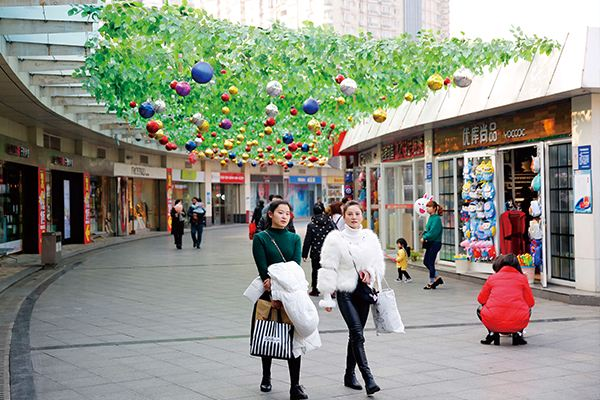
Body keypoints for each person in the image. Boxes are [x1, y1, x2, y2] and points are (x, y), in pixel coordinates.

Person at [318, 200, 384, 395]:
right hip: (344, 291)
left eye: (357, 214)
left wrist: (369, 272)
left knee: (355, 335)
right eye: (350, 214)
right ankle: (368, 378)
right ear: (343, 216)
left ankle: (349, 374)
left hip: (363, 292)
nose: (354, 217)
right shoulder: (335, 239)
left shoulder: (369, 237)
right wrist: (327, 296)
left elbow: (377, 263)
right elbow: (328, 267)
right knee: (357, 333)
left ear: (362, 216)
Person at [251, 200, 308, 400]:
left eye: (287, 213)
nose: (284, 216)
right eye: (280, 213)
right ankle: (266, 376)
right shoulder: (261, 238)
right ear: (270, 215)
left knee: (294, 340)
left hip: (291, 295)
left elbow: (295, 268)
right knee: (268, 335)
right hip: (268, 294)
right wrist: (274, 291)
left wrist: (287, 294)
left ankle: (295, 385)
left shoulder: (294, 238)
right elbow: (263, 268)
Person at [477, 254, 535, 346]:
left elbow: (481, 300)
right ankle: (518, 334)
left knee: (479, 309)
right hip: (517, 320)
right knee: (527, 309)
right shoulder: (522, 279)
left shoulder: (492, 278)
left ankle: (492, 333)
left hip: (493, 319)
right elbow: (531, 303)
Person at [302, 204, 336, 296]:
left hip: (316, 252)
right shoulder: (330, 222)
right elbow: (337, 234)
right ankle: (331, 290)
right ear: (323, 211)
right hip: (329, 252)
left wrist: (304, 254)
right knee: (329, 270)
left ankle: (315, 290)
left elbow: (307, 240)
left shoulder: (311, 225)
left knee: (316, 271)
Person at [421, 200, 444, 290]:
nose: (427, 208)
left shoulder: (436, 219)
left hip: (435, 243)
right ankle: (437, 278)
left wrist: (425, 236)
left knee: (430, 262)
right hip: (431, 243)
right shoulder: (431, 218)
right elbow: (429, 230)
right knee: (426, 261)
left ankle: (431, 282)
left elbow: (433, 232)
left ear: (434, 208)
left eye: (429, 207)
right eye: (427, 206)